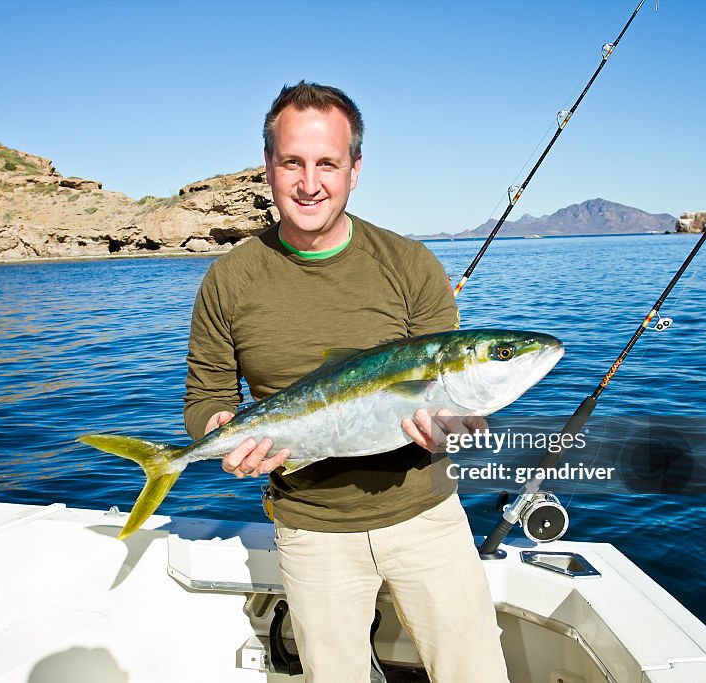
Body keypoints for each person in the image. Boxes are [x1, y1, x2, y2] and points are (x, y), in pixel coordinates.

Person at [184, 81, 508, 683]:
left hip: (426, 518)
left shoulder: (409, 264)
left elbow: (450, 398)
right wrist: (218, 433)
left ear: (355, 169)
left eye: (327, 163)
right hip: (310, 530)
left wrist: (454, 432)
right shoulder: (228, 282)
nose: (310, 183)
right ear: (268, 167)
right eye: (293, 163)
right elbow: (207, 394)